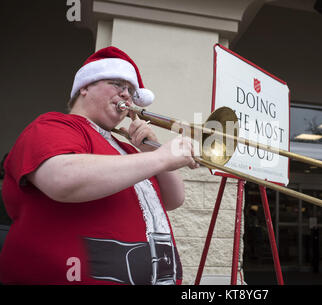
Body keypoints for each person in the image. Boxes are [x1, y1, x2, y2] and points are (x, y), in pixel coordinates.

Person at [0, 46, 199, 285]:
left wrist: (151, 148)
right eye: (118, 84)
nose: (127, 94)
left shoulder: (125, 149)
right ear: (85, 86)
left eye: (131, 90)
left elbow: (173, 199)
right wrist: (161, 157)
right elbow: (62, 179)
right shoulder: (53, 125)